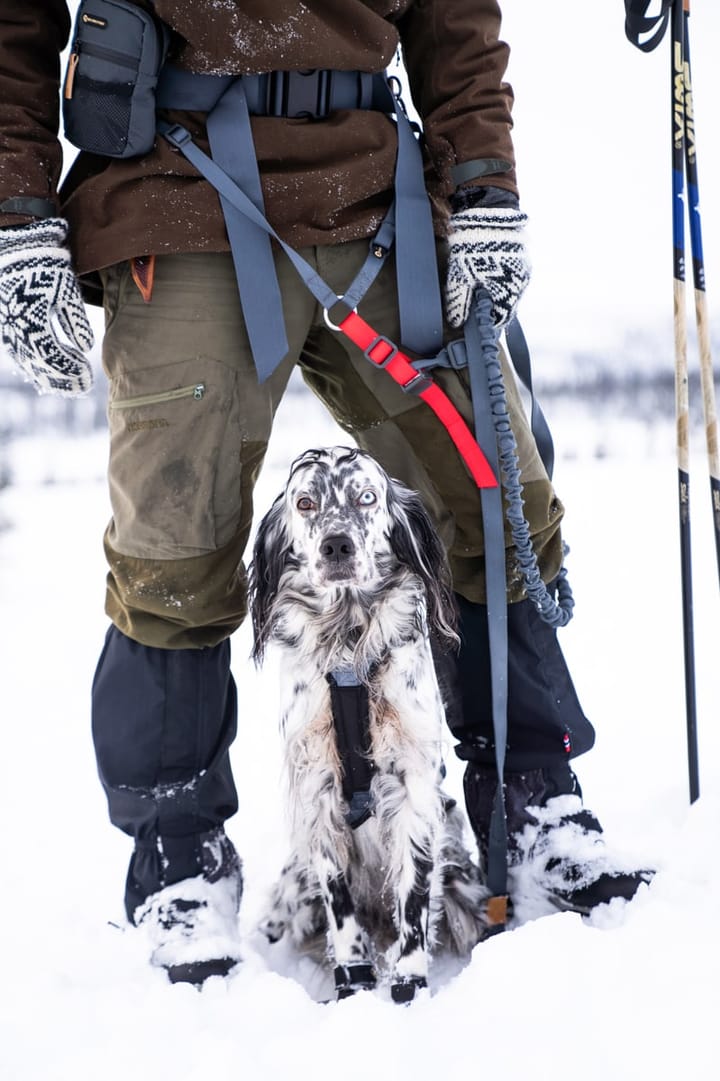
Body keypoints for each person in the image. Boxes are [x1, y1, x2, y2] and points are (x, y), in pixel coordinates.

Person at [0, 1, 650, 986]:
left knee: (497, 499)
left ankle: (535, 802)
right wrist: (18, 215)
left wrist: (482, 183)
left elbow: (455, 13)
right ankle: (179, 860)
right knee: (173, 550)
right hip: (176, 188)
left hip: (373, 185)